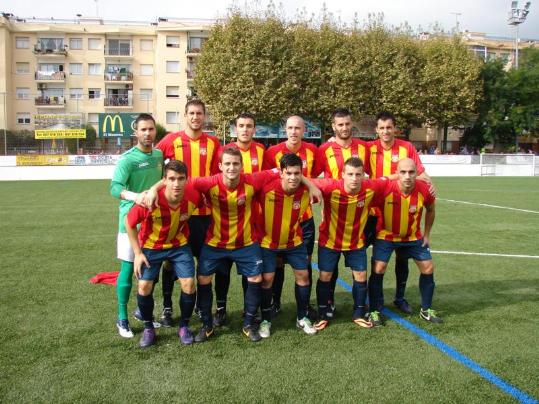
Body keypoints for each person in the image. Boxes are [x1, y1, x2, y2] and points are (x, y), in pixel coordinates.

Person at [155, 99, 220, 327]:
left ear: (204, 116)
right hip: (176, 213)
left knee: (205, 264)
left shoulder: (213, 143)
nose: (195, 117)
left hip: (204, 215)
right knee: (170, 263)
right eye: (191, 113)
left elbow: (216, 177)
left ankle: (203, 310)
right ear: (185, 115)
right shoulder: (171, 140)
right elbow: (154, 160)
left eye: (199, 113)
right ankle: (166, 308)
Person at [125, 160, 202, 348]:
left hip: (179, 245)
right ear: (164, 181)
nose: (176, 184)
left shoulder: (193, 196)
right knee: (143, 286)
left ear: (187, 180)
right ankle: (148, 327)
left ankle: (184, 326)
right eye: (172, 179)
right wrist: (137, 253)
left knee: (189, 283)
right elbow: (129, 223)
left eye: (181, 179)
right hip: (152, 246)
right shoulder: (151, 199)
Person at [367, 111, 433, 315]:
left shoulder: (407, 147)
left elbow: (419, 172)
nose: (386, 131)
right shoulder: (368, 148)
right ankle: (369, 303)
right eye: (382, 128)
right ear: (376, 130)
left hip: (402, 205)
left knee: (402, 258)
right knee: (369, 259)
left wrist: (430, 183)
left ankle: (399, 297)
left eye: (389, 127)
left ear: (395, 128)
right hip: (374, 211)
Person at [312, 157, 386, 331]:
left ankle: (359, 313)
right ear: (342, 175)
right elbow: (304, 178)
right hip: (330, 241)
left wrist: (420, 178)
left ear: (363, 176)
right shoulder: (330, 186)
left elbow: (391, 180)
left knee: (360, 276)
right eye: (350, 174)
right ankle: (323, 314)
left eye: (358, 174)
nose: (354, 178)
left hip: (356, 242)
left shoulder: (371, 188)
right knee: (325, 276)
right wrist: (310, 187)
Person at [368, 158, 442, 326]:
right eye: (403, 172)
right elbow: (366, 205)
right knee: (378, 268)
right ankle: (374, 310)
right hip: (385, 236)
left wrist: (427, 234)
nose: (407, 176)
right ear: (397, 173)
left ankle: (426, 310)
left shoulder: (424, 189)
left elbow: (431, 210)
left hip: (412, 237)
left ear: (417, 173)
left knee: (428, 267)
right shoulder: (385, 189)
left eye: (411, 172)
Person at [109, 113, 163, 338]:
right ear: (136, 132)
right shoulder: (127, 159)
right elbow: (114, 188)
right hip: (130, 223)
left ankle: (143, 312)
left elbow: (164, 179)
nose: (147, 133)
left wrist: (154, 190)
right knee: (128, 267)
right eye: (143, 130)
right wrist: (136, 196)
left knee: (150, 271)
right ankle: (122, 317)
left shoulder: (159, 155)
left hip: (154, 223)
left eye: (150, 129)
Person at [212, 112, 265, 327]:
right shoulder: (223, 151)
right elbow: (213, 181)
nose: (245, 129)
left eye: (249, 125)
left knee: (249, 269)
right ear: (235, 129)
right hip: (223, 217)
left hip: (251, 219)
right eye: (241, 125)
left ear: (254, 129)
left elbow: (270, 177)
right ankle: (221, 309)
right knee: (222, 269)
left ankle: (249, 308)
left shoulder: (262, 150)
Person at [264, 115, 321, 316]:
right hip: (279, 217)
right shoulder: (272, 152)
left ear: (304, 130)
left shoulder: (313, 151)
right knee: (277, 262)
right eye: (290, 127)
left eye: (298, 128)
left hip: (303, 218)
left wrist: (311, 184)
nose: (294, 131)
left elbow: (319, 176)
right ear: (284, 130)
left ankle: (305, 306)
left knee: (305, 263)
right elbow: (270, 177)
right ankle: (274, 301)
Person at [257, 153, 317, 337]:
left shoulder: (306, 190)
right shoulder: (265, 188)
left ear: (302, 174)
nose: (293, 177)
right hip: (268, 242)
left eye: (297, 173)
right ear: (281, 173)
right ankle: (265, 319)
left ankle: (302, 317)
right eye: (288, 173)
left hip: (294, 241)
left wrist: (313, 186)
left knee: (303, 276)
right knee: (267, 279)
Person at [317, 107, 369, 318]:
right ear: (333, 127)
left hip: (358, 213)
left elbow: (373, 177)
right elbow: (312, 177)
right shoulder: (324, 150)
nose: (344, 128)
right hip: (333, 212)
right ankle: (328, 303)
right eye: (340, 124)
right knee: (330, 265)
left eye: (347, 123)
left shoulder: (365, 148)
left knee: (362, 266)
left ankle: (364, 306)